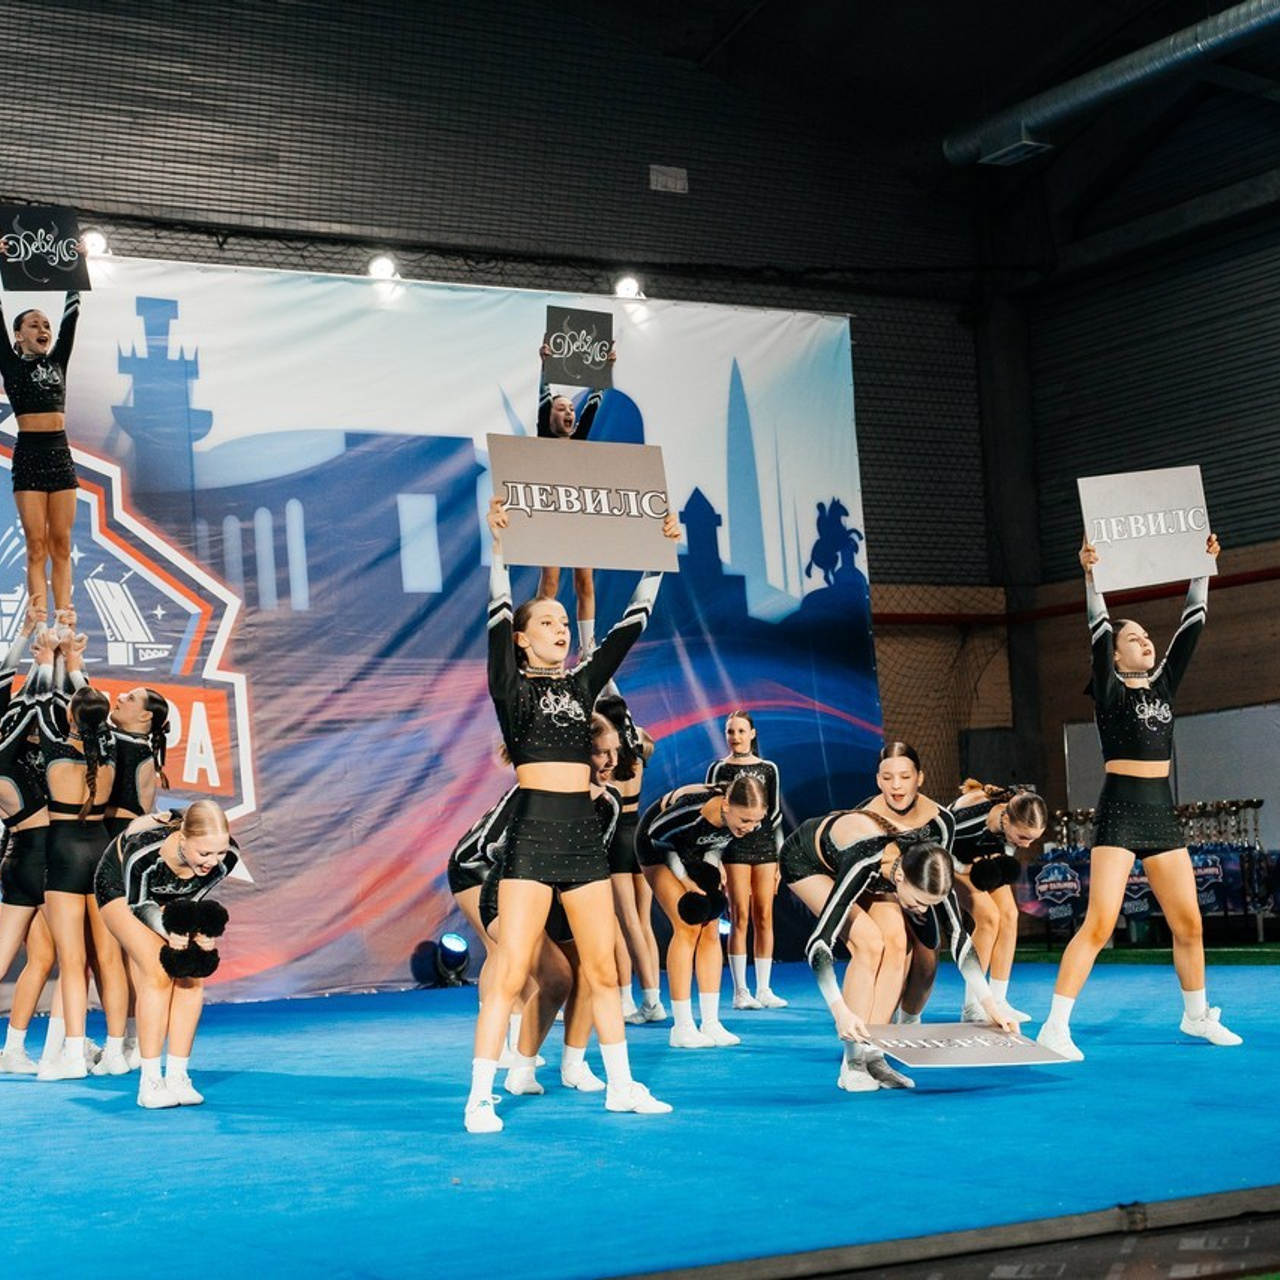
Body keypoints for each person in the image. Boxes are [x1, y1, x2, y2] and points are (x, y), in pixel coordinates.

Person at [464, 495, 679, 1134]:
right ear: (524, 638)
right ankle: (479, 1095)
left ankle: (620, 1084)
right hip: (532, 833)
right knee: (511, 966)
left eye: (564, 622)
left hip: (582, 837)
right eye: (548, 622)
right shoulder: (512, 684)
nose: (561, 628)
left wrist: (657, 558)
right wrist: (499, 549)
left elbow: (630, 626)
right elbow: (497, 614)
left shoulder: (581, 686)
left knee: (604, 964)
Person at [1036, 533, 1240, 1061]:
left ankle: (1196, 1016)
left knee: (1190, 922)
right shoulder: (1108, 690)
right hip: (1121, 811)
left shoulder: (1163, 686)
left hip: (1160, 813)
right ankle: (1055, 1026)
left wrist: (1203, 568)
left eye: (1148, 637)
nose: (1145, 642)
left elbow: (1192, 624)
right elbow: (1096, 629)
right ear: (1116, 652)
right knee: (1101, 921)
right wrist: (1090, 577)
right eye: (1134, 639)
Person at [782, 807, 1015, 1091]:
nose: (921, 910)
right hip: (806, 860)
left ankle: (875, 1054)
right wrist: (840, 1011)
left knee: (897, 942)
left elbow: (959, 937)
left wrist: (991, 1007)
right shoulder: (864, 862)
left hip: (874, 867)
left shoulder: (928, 867)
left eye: (929, 904)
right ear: (902, 878)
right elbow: (818, 943)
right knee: (868, 942)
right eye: (918, 901)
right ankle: (853, 1061)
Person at [95, 801, 238, 1108]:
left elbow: (191, 899)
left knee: (191, 971)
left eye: (220, 852)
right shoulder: (145, 851)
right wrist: (172, 930)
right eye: (205, 853)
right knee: (157, 970)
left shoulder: (227, 859)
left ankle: (177, 1076)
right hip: (121, 890)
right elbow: (140, 905)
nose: (213, 861)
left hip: (170, 895)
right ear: (183, 841)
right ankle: (150, 1082)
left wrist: (201, 934)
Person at [30, 629, 122, 1080]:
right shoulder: (109, 747)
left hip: (64, 850)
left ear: (70, 716)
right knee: (108, 958)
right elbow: (89, 707)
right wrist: (77, 662)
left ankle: (72, 1053)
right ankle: (119, 1051)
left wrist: (51, 658)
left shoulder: (55, 742)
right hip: (102, 848)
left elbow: (43, 703)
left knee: (72, 961)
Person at [897, 781, 1047, 1025]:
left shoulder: (1014, 818)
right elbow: (938, 852)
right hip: (947, 860)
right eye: (1024, 837)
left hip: (977, 857)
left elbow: (1005, 852)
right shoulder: (967, 820)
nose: (1027, 845)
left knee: (1009, 914)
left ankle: (998, 1001)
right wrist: (968, 869)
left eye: (1033, 839)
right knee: (989, 918)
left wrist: (993, 862)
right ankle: (972, 1006)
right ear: (1007, 821)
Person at [636, 775, 768, 1048]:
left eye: (757, 821)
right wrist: (686, 882)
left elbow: (717, 843)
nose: (751, 828)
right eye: (745, 821)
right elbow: (660, 842)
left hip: (697, 849)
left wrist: (710, 869)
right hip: (658, 848)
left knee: (711, 923)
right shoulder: (691, 811)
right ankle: (682, 1027)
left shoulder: (740, 822)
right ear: (727, 805)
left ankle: (711, 1022)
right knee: (687, 924)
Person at [0, 267, 82, 625]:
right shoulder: (11, 365)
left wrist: (75, 265)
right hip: (30, 456)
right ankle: (39, 620)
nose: (43, 329)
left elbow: (72, 314)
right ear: (18, 336)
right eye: (33, 325)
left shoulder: (58, 361)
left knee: (61, 544)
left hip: (60, 455)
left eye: (45, 324)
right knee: (36, 545)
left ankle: (64, 622)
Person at [535, 340, 614, 658]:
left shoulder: (579, 438)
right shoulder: (543, 436)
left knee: (586, 582)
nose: (568, 412)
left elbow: (595, 401)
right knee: (550, 583)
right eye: (560, 408)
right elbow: (543, 396)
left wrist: (606, 366)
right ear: (549, 417)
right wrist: (544, 364)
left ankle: (587, 647)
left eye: (571, 409)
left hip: (579, 516)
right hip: (553, 517)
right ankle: (538, 632)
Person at [705, 710, 786, 1010]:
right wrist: (715, 860)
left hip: (764, 847)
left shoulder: (769, 769)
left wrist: (778, 858)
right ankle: (741, 991)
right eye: (730, 731)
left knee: (764, 915)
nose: (735, 737)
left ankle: (764, 988)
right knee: (739, 915)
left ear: (752, 734)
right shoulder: (718, 769)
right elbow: (712, 814)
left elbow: (775, 815)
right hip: (733, 847)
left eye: (741, 731)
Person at [596, 688, 664, 1023]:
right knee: (643, 922)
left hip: (616, 837)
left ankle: (630, 999)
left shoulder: (605, 752)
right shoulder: (638, 745)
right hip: (640, 832)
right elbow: (618, 704)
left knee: (625, 925)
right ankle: (654, 997)